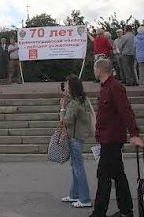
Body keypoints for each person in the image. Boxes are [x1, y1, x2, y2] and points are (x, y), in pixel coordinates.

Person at [89, 58, 144, 217]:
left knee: (104, 175)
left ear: (99, 70)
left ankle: (99, 212)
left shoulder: (115, 87)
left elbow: (125, 110)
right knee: (118, 174)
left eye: (95, 69)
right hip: (107, 137)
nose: (94, 72)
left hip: (112, 139)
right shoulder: (105, 87)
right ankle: (126, 210)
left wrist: (134, 134)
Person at [59, 75, 92, 209]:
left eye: (67, 85)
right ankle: (75, 194)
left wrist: (62, 108)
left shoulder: (74, 103)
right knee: (75, 167)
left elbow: (66, 121)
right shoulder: (80, 100)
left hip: (74, 136)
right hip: (78, 136)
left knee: (78, 168)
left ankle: (84, 198)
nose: (65, 87)